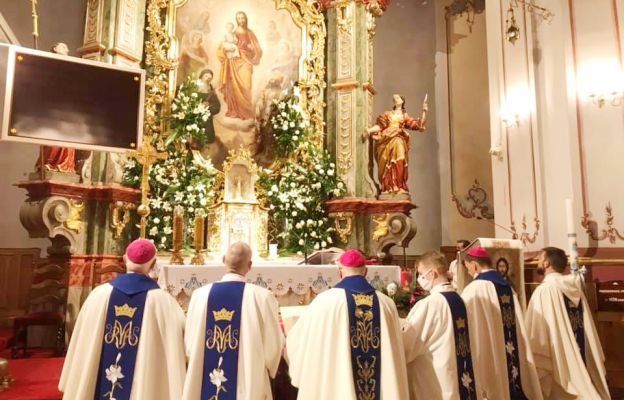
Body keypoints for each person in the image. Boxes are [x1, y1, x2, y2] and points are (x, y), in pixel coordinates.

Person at [59, 239, 186, 399]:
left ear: (125, 259)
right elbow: (179, 344)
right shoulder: (163, 302)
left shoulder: (98, 295)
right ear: (154, 265)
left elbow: (81, 342)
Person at [286, 249, 409, 399]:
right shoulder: (386, 303)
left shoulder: (325, 301)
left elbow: (300, 340)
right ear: (365, 271)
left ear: (340, 271)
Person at [182, 242, 283, 399]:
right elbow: (273, 346)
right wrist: (269, 365)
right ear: (249, 265)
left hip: (204, 379)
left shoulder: (200, 295)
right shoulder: (262, 297)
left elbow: (189, 344)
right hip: (248, 379)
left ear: (224, 260)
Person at [525, 247, 610, 399]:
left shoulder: (545, 290)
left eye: (540, 258)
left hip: (557, 359)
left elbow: (537, 334)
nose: (537, 261)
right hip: (580, 353)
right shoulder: (574, 288)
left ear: (546, 263)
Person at [461, 247, 543, 400]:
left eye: (468, 267)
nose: (468, 272)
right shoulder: (507, 286)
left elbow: (468, 322)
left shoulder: (474, 289)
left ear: (475, 265)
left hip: (488, 347)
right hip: (509, 348)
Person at [403, 250, 478, 400]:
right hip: (459, 373)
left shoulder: (430, 304)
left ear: (432, 273)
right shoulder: (460, 299)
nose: (419, 278)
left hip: (435, 377)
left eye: (421, 273)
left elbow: (408, 344)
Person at [366, 94, 427, 195]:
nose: (396, 99)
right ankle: (388, 187)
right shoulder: (388, 114)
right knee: (387, 163)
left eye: (398, 98)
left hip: (398, 139)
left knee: (400, 159)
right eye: (394, 99)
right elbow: (380, 126)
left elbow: (418, 126)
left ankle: (398, 185)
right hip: (386, 140)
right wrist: (369, 130)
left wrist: (424, 111)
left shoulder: (404, 116)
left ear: (402, 101)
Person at [217, 11, 262, 120]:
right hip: (234, 60)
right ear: (236, 20)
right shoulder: (232, 32)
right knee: (233, 85)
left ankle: (246, 111)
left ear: (246, 19)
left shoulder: (250, 33)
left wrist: (252, 49)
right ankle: (235, 111)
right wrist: (226, 49)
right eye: (239, 18)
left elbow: (258, 48)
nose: (241, 20)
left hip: (246, 60)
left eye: (242, 18)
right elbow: (222, 46)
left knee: (246, 86)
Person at [197, 69, 221, 144]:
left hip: (206, 119)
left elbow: (217, 106)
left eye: (209, 78)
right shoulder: (193, 87)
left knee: (206, 139)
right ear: (201, 76)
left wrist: (208, 108)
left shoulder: (210, 91)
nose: (207, 78)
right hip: (193, 117)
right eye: (206, 76)